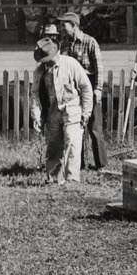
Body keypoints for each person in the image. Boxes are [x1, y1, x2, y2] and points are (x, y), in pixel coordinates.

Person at [30, 38, 94, 186]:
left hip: (72, 109)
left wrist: (86, 112)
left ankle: (72, 178)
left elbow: (85, 87)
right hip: (52, 111)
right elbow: (35, 95)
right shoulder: (39, 71)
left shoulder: (70, 64)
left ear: (56, 53)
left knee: (72, 140)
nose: (47, 63)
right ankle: (53, 178)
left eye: (48, 59)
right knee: (54, 145)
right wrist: (36, 115)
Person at [58, 12, 107, 171]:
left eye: (64, 24)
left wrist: (98, 89)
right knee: (75, 128)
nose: (62, 28)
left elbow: (99, 67)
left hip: (89, 89)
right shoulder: (64, 44)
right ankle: (79, 165)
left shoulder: (90, 42)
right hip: (72, 92)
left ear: (73, 25)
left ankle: (101, 165)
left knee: (94, 128)